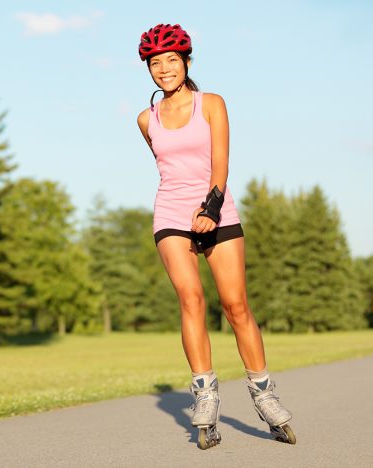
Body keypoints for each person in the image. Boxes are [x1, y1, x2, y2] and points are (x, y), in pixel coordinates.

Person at [136, 23, 295, 450]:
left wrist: (209, 208)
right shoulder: (145, 119)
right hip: (170, 213)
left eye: (171, 60)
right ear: (148, 68)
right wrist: (188, 211)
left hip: (216, 208)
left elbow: (219, 164)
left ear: (186, 61)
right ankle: (205, 396)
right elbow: (168, 171)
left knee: (235, 304)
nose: (164, 69)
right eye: (156, 62)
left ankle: (265, 396)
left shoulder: (212, 104)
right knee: (190, 298)